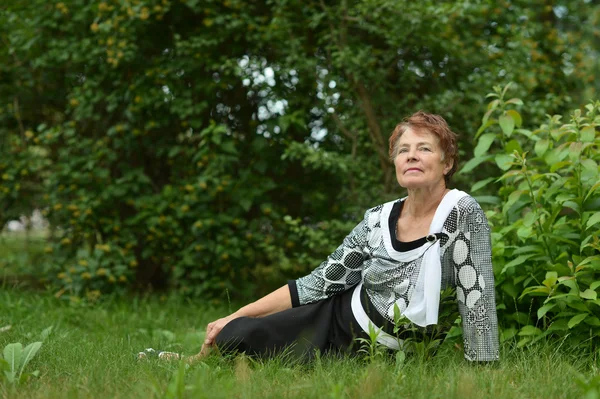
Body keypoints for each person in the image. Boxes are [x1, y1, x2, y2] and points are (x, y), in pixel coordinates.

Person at [147, 111, 499, 363]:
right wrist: (236, 314)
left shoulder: (461, 212)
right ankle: (196, 360)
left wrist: (482, 367)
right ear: (394, 162)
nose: (412, 156)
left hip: (391, 349)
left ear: (447, 162)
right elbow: (319, 282)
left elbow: (476, 297)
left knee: (250, 340)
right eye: (404, 150)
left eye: (424, 148)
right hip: (336, 318)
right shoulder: (377, 219)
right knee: (236, 332)